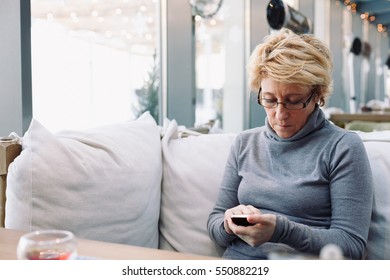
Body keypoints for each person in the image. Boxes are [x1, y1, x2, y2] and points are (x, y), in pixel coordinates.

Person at [207, 28, 373, 260]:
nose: (280, 114)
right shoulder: (245, 143)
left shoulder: (342, 147)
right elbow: (214, 223)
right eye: (270, 100)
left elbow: (352, 245)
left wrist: (282, 231)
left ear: (317, 96)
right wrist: (229, 223)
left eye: (293, 101)